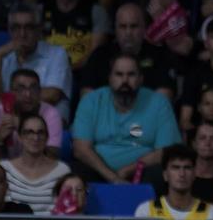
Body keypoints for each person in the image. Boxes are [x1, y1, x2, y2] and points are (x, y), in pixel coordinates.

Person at [71, 54, 180, 184]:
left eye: (131, 74)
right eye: (119, 74)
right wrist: (113, 178)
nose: (125, 80)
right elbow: (81, 149)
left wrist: (129, 170)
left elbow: (166, 151)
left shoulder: (159, 103)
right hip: (98, 171)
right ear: (110, 78)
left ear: (140, 79)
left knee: (159, 174)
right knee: (76, 172)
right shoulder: (91, 101)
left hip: (143, 172)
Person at [0, 4, 73, 121]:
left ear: (39, 29)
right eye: (16, 27)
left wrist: (6, 101)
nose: (22, 34)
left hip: (44, 124)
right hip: (4, 122)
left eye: (29, 27)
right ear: (9, 30)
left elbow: (52, 95)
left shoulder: (57, 54)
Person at [79, 3, 176, 100]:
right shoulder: (99, 56)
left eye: (134, 26)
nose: (128, 33)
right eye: (123, 26)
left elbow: (164, 100)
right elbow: (87, 99)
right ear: (115, 29)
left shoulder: (160, 56)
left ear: (144, 28)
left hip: (148, 114)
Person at [43, 0, 111, 70]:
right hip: (46, 75)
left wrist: (67, 70)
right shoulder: (40, 11)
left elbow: (95, 56)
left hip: (82, 76)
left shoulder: (97, 12)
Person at [0, 69, 61, 164]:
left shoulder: (50, 113)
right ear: (11, 92)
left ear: (40, 92)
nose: (28, 94)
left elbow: (52, 158)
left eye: (33, 88)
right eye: (20, 89)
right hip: (3, 173)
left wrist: (22, 127)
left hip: (37, 170)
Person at [0, 114, 70, 215]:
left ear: (47, 137)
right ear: (19, 136)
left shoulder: (62, 171)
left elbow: (65, 212)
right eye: (29, 132)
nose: (35, 137)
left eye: (40, 133)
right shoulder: (4, 169)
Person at [134, 145, 213, 220]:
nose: (182, 174)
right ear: (165, 175)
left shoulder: (212, 214)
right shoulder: (146, 212)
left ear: (194, 174)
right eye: (175, 168)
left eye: (187, 168)